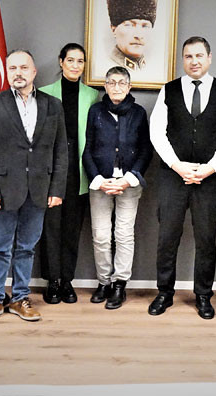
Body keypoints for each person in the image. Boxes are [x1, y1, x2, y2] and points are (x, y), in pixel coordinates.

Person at [147, 36, 216, 319]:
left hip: (209, 178)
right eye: (188, 56)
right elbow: (157, 131)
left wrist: (210, 167)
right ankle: (164, 293)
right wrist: (177, 166)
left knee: (206, 239)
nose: (194, 61)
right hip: (172, 176)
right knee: (167, 237)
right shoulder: (169, 90)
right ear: (183, 60)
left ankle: (203, 296)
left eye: (199, 56)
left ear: (209, 58)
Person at [0, 49, 67, 326]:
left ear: (34, 71)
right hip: (3, 191)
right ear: (7, 72)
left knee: (27, 248)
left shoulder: (53, 105)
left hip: (39, 190)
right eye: (13, 68)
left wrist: (57, 189)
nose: (18, 73)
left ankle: (20, 298)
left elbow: (60, 151)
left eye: (23, 67)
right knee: (0, 249)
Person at [83, 66, 152, 309]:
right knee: (101, 235)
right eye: (111, 82)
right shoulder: (96, 111)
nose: (116, 87)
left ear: (129, 87)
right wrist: (97, 179)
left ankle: (120, 283)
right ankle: (104, 282)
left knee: (123, 234)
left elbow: (145, 150)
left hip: (129, 183)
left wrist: (130, 178)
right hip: (100, 183)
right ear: (105, 86)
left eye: (122, 83)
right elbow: (87, 148)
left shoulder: (138, 113)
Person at [37, 43, 98, 304]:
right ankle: (52, 281)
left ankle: (67, 280)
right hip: (51, 168)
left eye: (80, 61)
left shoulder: (93, 95)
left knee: (72, 227)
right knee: (51, 227)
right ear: (61, 62)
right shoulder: (43, 93)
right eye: (70, 60)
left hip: (79, 168)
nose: (75, 65)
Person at [105, 0, 157, 71]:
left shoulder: (150, 68)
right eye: (129, 25)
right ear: (113, 29)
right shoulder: (106, 63)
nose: (139, 35)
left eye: (145, 26)